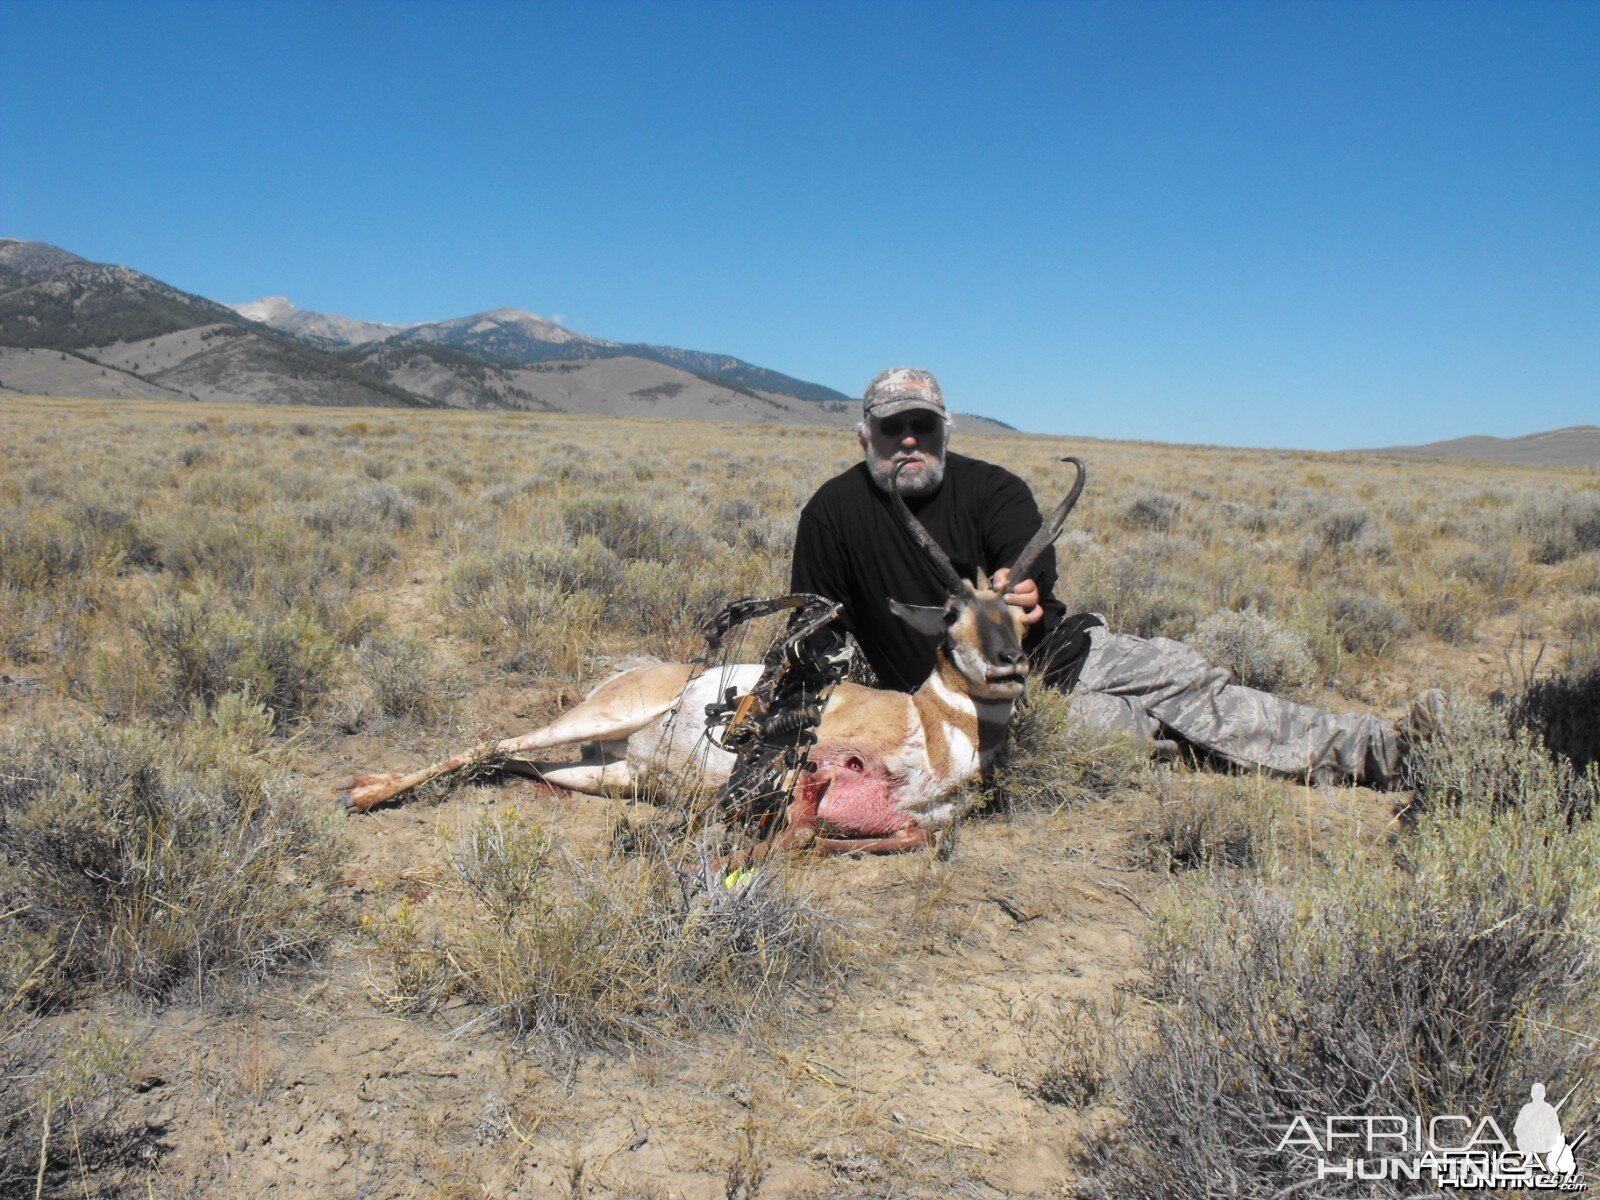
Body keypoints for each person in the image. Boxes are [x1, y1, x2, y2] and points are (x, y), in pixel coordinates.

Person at [790, 366, 1444, 787]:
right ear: (863, 437)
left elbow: (1029, 561)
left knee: (1185, 677)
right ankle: (1171, 739)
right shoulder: (832, 514)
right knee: (1115, 730)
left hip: (1064, 656)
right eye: (891, 427)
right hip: (964, 719)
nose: (908, 440)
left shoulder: (993, 488)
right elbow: (811, 634)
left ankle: (1384, 751)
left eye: (922, 426)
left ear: (944, 432)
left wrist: (1024, 592)